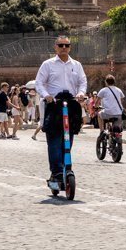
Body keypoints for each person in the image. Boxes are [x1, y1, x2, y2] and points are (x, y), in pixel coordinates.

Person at [35, 37, 86, 184]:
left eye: (67, 45)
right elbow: (39, 83)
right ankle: (56, 172)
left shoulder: (77, 65)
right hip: (54, 104)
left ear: (70, 47)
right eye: (61, 45)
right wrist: (46, 95)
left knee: (68, 138)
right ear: (55, 47)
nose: (64, 47)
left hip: (71, 104)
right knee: (55, 140)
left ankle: (66, 167)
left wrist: (81, 93)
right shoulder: (48, 64)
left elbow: (82, 82)